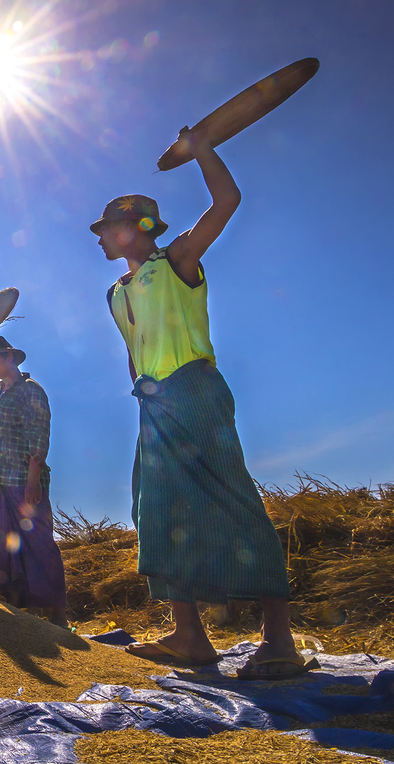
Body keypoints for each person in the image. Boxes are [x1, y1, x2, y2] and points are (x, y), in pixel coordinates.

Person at [92, 126, 306, 679]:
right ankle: (190, 636)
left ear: (135, 229)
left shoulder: (178, 261)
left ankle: (278, 639)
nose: (99, 237)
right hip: (153, 404)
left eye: (107, 227)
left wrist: (202, 147)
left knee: (231, 497)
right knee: (156, 510)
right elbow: (135, 352)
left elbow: (227, 202)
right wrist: (143, 395)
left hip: (195, 390)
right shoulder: (115, 293)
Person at [0, 335, 67, 627]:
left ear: (10, 357)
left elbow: (39, 433)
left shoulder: (30, 391)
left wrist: (33, 479)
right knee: (10, 544)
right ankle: (18, 607)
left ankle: (57, 613)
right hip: (3, 477)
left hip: (25, 480)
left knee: (39, 543)